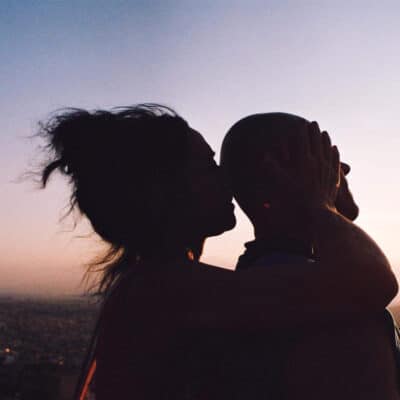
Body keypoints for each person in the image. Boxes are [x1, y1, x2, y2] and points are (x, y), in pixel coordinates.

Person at [38, 104, 397, 399]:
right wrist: (319, 204)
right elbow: (370, 281)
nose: (226, 177)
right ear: (165, 189)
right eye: (208, 165)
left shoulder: (165, 285)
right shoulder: (162, 289)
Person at [220, 112, 400, 399]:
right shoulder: (307, 297)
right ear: (279, 175)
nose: (344, 168)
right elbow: (377, 281)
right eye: (324, 157)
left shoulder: (287, 276)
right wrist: (320, 204)